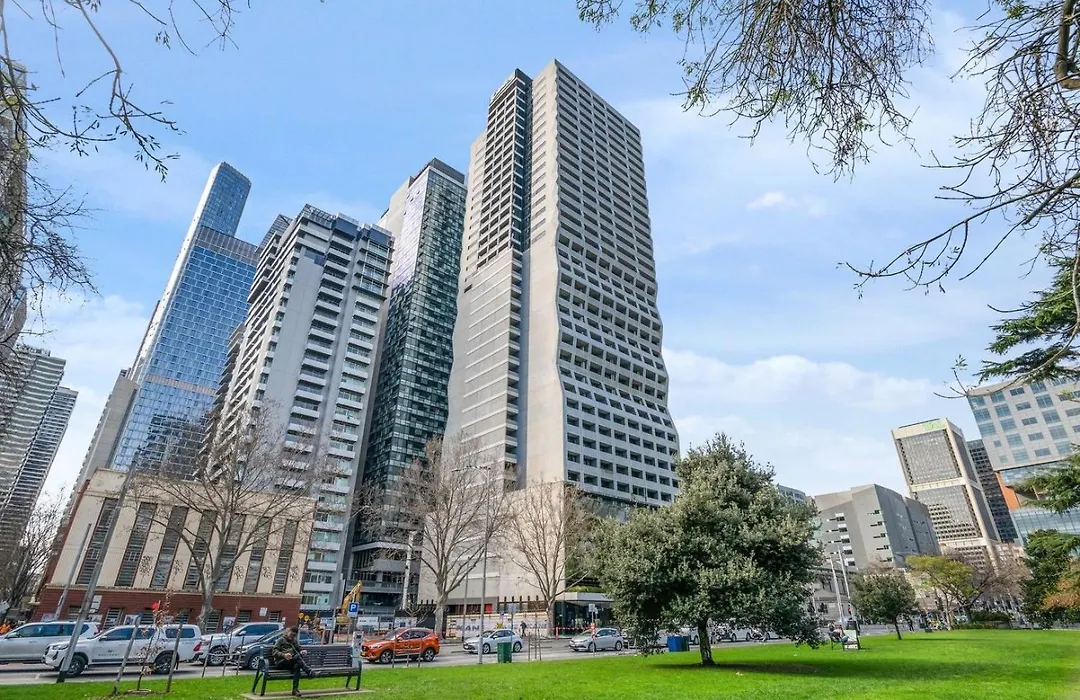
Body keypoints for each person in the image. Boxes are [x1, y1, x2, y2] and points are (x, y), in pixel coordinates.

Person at [273, 627, 315, 697]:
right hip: (281, 662)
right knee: (297, 659)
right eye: (291, 635)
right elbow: (274, 651)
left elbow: (299, 648)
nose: (292, 637)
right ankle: (309, 672)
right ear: (288, 632)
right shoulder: (280, 640)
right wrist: (284, 655)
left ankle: (295, 690)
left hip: (291, 662)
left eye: (294, 635)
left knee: (297, 666)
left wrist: (302, 651)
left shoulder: (294, 641)